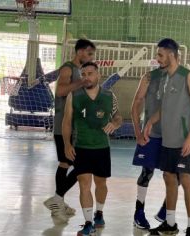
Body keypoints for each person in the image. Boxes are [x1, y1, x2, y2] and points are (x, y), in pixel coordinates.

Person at [144, 38, 190, 236]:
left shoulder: (188, 76)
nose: (157, 58)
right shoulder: (165, 78)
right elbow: (164, 108)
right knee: (168, 177)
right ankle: (170, 224)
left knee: (185, 180)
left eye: (160, 54)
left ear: (171, 55)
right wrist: (151, 122)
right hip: (167, 139)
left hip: (183, 140)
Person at [62, 62, 122, 235]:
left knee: (101, 183)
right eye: (83, 74)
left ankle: (99, 213)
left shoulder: (110, 96)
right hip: (81, 147)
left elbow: (118, 117)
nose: (86, 77)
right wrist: (67, 144)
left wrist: (115, 124)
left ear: (98, 75)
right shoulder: (74, 96)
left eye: (90, 73)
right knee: (84, 184)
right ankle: (88, 223)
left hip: (102, 148)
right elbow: (66, 122)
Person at [44, 39, 96, 222]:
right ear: (80, 52)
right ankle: (57, 200)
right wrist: (81, 82)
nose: (91, 57)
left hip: (75, 126)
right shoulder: (68, 68)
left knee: (66, 164)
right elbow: (60, 91)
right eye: (89, 54)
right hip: (63, 126)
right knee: (76, 164)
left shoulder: (80, 72)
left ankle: (58, 202)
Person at [131, 69, 168, 229]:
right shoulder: (148, 77)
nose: (159, 58)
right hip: (151, 133)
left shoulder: (181, 77)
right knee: (147, 172)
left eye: (162, 55)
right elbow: (137, 102)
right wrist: (138, 131)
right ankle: (138, 213)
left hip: (172, 135)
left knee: (176, 175)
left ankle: (166, 210)